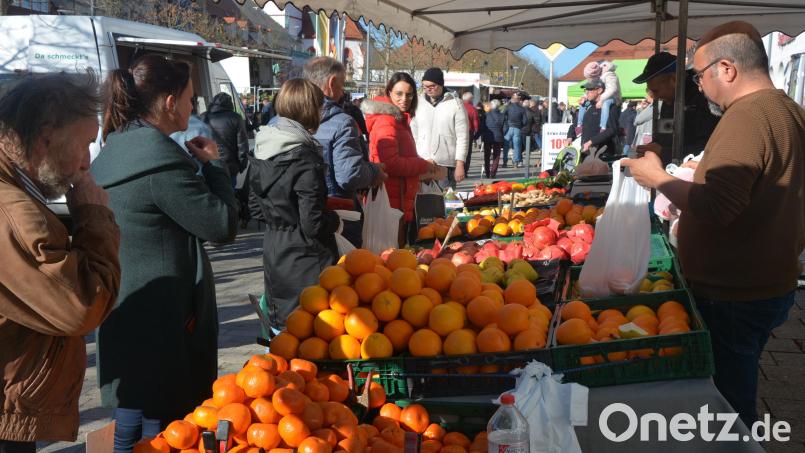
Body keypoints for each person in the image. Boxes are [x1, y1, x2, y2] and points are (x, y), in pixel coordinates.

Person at [622, 21, 805, 427]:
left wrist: (659, 180)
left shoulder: (748, 117)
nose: (699, 86)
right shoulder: (788, 109)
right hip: (767, 280)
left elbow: (718, 205)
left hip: (735, 293)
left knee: (730, 408)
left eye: (701, 75)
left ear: (727, 69)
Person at [92, 54, 238, 451]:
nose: (194, 108)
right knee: (164, 432)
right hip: (164, 321)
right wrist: (214, 166)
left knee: (131, 416)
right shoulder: (161, 165)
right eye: (191, 99)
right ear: (170, 102)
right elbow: (222, 224)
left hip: (124, 307)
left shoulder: (116, 148)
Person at [0, 73, 120, 452]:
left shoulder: (16, 193)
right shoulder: (13, 211)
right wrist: (93, 217)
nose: (87, 163)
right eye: (85, 144)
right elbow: (81, 307)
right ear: (47, 134)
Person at [250, 79, 340, 332]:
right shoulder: (304, 157)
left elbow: (256, 209)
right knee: (314, 333)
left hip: (275, 252)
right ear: (311, 110)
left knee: (284, 331)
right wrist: (335, 220)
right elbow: (312, 224)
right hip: (307, 259)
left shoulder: (261, 148)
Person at [303, 57, 386, 247]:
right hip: (338, 214)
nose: (342, 93)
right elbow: (349, 174)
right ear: (331, 83)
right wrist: (374, 171)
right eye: (341, 86)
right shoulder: (341, 122)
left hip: (296, 222)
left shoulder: (282, 120)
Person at [361, 72, 439, 245]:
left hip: (397, 199)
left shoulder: (398, 119)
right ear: (389, 92)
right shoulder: (387, 121)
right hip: (390, 201)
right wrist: (423, 164)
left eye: (409, 94)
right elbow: (390, 163)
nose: (405, 99)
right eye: (399, 94)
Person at [633, 51, 721, 164]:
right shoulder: (669, 100)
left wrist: (663, 152)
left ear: (674, 80)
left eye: (656, 90)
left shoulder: (704, 97)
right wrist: (653, 147)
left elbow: (708, 147)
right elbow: (665, 133)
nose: (654, 96)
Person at [410, 67, 469, 188]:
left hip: (445, 165)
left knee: (444, 203)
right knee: (421, 202)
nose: (428, 89)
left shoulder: (456, 104)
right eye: (425, 86)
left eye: (432, 86)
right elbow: (413, 133)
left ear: (441, 84)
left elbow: (463, 137)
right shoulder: (418, 104)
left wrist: (460, 164)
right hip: (422, 162)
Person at [203, 92, 250, 187]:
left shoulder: (204, 117)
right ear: (230, 104)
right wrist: (242, 165)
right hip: (230, 166)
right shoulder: (236, 118)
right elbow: (242, 145)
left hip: (209, 163)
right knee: (230, 192)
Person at [566, 78, 620, 158]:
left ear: (599, 90)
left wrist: (591, 142)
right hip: (586, 152)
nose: (586, 93)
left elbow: (611, 130)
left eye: (590, 90)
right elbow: (575, 125)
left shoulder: (610, 107)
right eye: (586, 90)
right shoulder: (587, 106)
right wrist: (570, 137)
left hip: (604, 154)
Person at [501, 92, 528, 168]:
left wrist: (505, 125)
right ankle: (515, 162)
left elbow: (503, 117)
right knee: (517, 146)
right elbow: (525, 121)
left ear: (512, 100)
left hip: (509, 128)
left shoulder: (508, 107)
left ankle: (505, 162)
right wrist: (520, 125)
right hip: (517, 128)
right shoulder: (522, 109)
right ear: (518, 100)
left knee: (506, 146)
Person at [483, 99, 506, 178]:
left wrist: (477, 135)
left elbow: (482, 126)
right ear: (498, 106)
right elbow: (505, 128)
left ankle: (487, 172)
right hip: (498, 137)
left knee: (487, 155)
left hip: (487, 136)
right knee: (496, 156)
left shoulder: (486, 114)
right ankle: (493, 173)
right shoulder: (502, 115)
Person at [462, 92, 479, 175]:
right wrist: (476, 132)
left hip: (457, 131)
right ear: (470, 99)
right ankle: (465, 170)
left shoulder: (458, 107)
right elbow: (475, 122)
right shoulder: (473, 109)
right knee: (467, 152)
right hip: (469, 132)